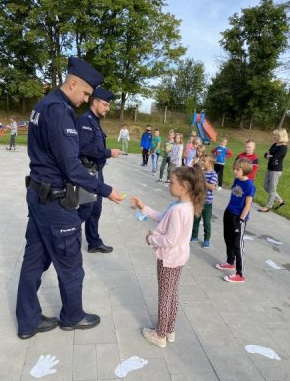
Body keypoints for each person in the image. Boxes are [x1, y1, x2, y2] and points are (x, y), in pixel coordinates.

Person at [16, 57, 123, 340]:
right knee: (71, 265)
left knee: (33, 262)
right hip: (54, 201)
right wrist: (106, 190)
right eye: (86, 93)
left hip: (38, 195)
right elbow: (71, 166)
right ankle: (72, 316)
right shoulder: (59, 111)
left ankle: (27, 322)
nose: (86, 99)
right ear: (73, 83)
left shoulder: (43, 105)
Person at [131, 165, 206, 347]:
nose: (168, 185)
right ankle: (170, 330)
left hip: (169, 259)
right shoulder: (184, 206)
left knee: (165, 296)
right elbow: (162, 216)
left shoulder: (177, 210)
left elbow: (170, 240)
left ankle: (160, 335)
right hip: (179, 258)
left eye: (172, 182)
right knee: (171, 294)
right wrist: (144, 208)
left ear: (184, 186)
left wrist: (151, 239)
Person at [76, 88, 122, 253]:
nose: (107, 108)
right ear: (94, 102)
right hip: (87, 172)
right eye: (105, 104)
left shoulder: (95, 121)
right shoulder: (84, 120)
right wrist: (108, 153)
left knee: (95, 209)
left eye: (108, 105)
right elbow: (84, 147)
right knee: (86, 209)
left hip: (97, 172)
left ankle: (94, 242)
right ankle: (65, 234)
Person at [215, 158, 256, 283]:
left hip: (238, 217)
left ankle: (240, 274)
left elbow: (248, 205)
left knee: (237, 244)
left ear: (245, 170)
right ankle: (230, 262)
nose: (234, 171)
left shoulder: (249, 185)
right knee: (228, 238)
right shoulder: (237, 180)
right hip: (229, 213)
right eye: (234, 168)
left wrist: (241, 220)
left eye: (237, 169)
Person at [258, 128, 288, 212]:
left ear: (280, 136)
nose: (273, 136)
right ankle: (280, 200)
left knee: (272, 189)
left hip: (276, 170)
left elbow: (274, 157)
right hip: (270, 167)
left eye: (275, 135)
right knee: (265, 186)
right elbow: (265, 155)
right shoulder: (275, 144)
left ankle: (268, 206)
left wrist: (270, 155)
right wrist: (269, 155)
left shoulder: (284, 147)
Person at [191, 155, 217, 248]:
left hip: (207, 202)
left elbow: (212, 187)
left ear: (210, 163)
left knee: (206, 222)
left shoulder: (213, 174)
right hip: (198, 200)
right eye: (202, 161)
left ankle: (206, 239)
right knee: (196, 219)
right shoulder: (201, 172)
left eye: (204, 161)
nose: (202, 162)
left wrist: (202, 181)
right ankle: (194, 236)